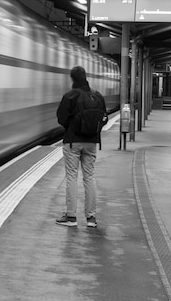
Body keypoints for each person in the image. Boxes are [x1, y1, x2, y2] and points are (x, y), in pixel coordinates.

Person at [55, 66, 107, 227]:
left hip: (73, 142)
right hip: (91, 143)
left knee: (71, 177)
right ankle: (91, 218)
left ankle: (71, 217)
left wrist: (72, 126)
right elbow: (103, 118)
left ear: (72, 79)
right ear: (86, 77)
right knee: (89, 178)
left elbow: (61, 118)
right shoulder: (97, 96)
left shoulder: (70, 96)